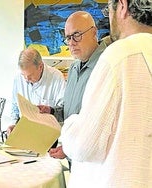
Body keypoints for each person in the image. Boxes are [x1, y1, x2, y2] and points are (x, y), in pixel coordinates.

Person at [61, 0, 152, 187]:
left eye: (107, 10)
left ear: (122, 6)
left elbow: (84, 145)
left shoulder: (118, 56)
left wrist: (69, 125)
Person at [48, 11, 111, 166]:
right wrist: (51, 111)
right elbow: (72, 110)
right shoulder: (74, 67)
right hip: (74, 155)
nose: (71, 42)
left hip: (94, 161)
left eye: (77, 34)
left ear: (94, 32)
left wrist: (69, 148)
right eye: (68, 37)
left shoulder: (106, 65)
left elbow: (101, 124)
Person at [7, 48, 66, 147]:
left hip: (47, 136)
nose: (26, 79)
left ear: (40, 66)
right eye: (24, 75)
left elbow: (63, 110)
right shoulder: (18, 78)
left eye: (30, 76)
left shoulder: (56, 77)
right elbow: (15, 106)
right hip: (24, 132)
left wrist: (50, 110)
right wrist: (13, 124)